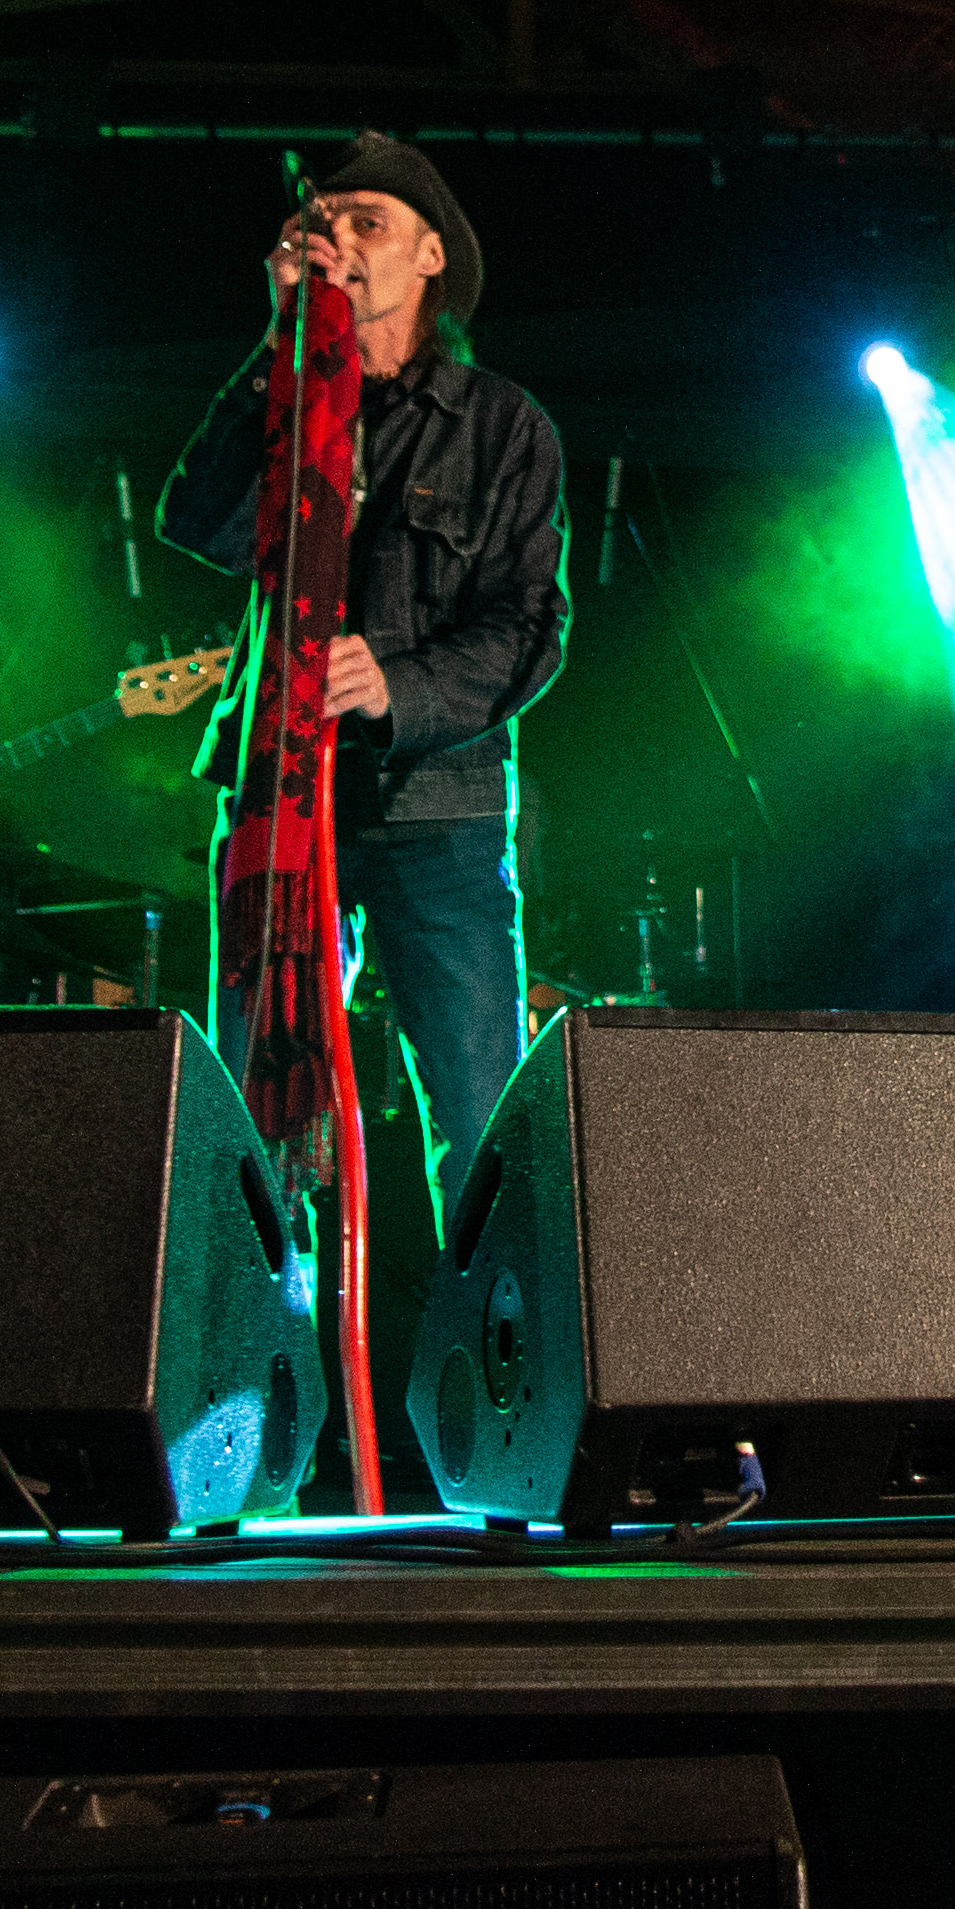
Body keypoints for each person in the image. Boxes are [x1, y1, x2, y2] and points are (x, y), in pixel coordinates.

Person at [158, 136, 569, 1213]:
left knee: (479, 1116)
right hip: (281, 804)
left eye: (366, 222)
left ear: (432, 256)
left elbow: (532, 626)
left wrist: (398, 689)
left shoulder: (501, 426)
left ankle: (487, 1324)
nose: (336, 239)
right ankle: (264, 1320)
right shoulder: (283, 395)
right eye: (320, 221)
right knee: (256, 1109)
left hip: (438, 811)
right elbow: (197, 521)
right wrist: (278, 336)